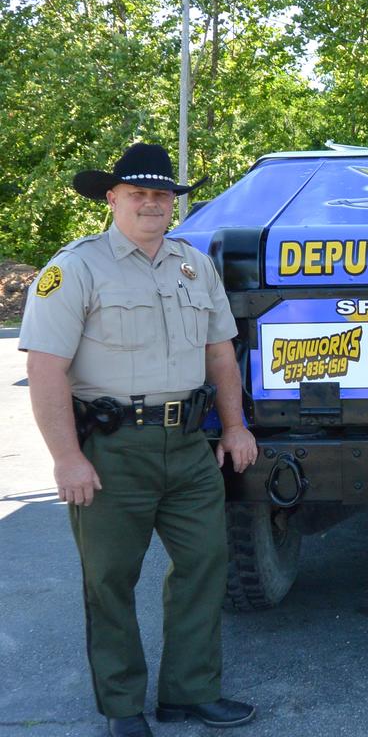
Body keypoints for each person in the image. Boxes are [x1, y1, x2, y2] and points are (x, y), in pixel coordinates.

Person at [20, 143, 259, 737]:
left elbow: (219, 353)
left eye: (162, 195)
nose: (151, 204)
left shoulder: (192, 265)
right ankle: (123, 708)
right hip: (110, 450)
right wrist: (66, 459)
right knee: (109, 580)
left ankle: (191, 692)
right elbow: (47, 368)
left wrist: (234, 426)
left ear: (172, 204)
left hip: (187, 445)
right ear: (113, 198)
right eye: (138, 194)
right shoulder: (74, 268)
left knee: (206, 563)